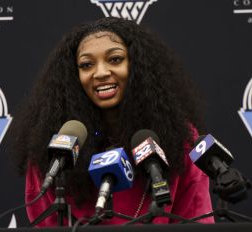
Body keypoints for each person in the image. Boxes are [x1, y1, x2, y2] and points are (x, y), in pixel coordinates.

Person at [11, 17, 214, 227]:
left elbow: (196, 219)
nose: (100, 73)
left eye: (115, 59)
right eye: (87, 64)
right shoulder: (57, 148)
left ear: (137, 66)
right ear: (73, 76)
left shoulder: (179, 138)